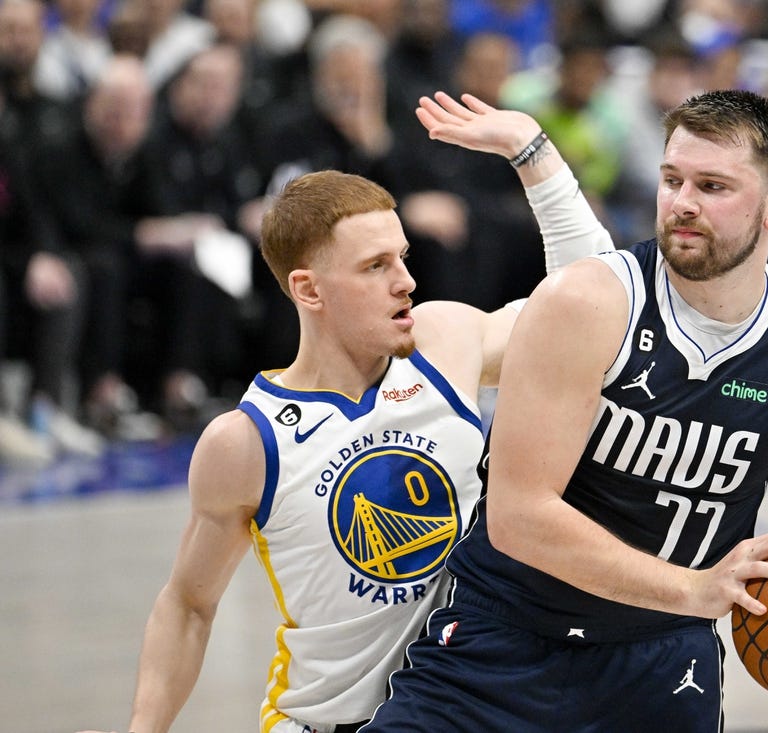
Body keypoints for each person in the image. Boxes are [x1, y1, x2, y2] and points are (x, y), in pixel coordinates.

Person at [364, 88, 768, 732]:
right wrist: (695, 590)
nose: (682, 203)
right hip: (501, 651)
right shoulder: (589, 302)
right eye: (672, 179)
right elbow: (519, 515)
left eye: (712, 186)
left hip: (665, 668)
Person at [75, 91, 613, 733]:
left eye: (404, 257)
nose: (406, 280)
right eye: (376, 266)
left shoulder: (446, 344)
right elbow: (189, 606)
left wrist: (532, 153)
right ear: (308, 289)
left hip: (467, 707)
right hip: (328, 722)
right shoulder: (246, 442)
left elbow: (595, 308)